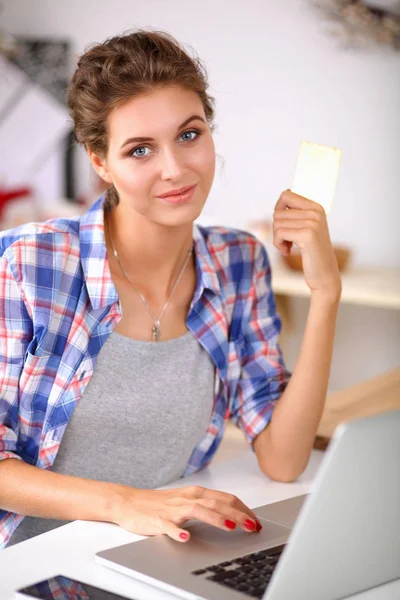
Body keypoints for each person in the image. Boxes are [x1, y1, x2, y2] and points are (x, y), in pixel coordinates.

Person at [0, 29, 341, 549]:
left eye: (189, 135)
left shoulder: (237, 261)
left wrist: (324, 294)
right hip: (30, 560)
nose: (176, 169)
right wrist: (124, 503)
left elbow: (283, 458)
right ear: (100, 161)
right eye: (140, 150)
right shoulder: (31, 261)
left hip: (157, 550)